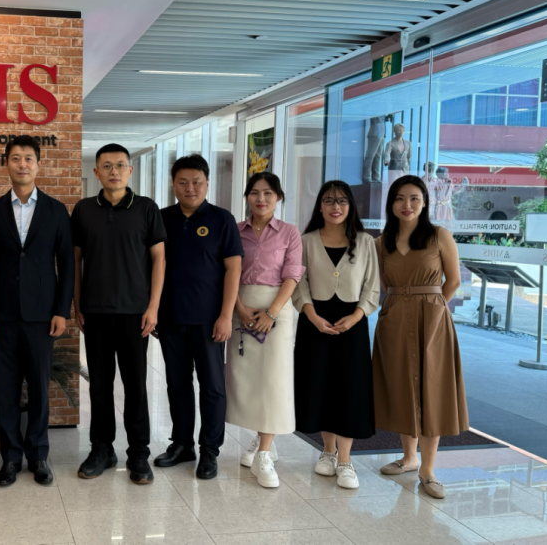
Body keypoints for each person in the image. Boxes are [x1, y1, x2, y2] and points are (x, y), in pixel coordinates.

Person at [0, 135, 74, 487]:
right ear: (7, 164)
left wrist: (62, 311)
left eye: (28, 158)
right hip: (2, 316)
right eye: (15, 158)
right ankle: (11, 457)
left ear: (38, 164)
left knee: (40, 389)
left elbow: (67, 264)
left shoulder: (56, 210)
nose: (22, 164)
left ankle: (38, 455)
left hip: (42, 316)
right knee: (7, 390)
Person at [72, 144, 166, 484]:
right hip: (95, 312)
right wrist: (77, 303)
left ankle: (139, 453)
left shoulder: (146, 208)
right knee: (99, 385)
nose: (114, 171)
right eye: (107, 166)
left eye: (121, 165)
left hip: (134, 313)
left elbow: (159, 259)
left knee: (135, 386)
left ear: (130, 171)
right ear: (96, 172)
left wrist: (153, 306)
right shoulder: (84, 210)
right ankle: (102, 449)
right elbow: (76, 260)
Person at [374, 175, 468, 499]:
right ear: (391, 204)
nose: (407, 204)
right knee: (402, 385)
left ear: (425, 202)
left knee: (432, 388)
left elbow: (453, 280)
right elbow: (384, 284)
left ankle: (428, 469)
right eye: (400, 198)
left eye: (414, 198)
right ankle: (409, 457)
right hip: (394, 319)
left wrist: (434, 307)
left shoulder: (439, 235)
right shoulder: (382, 242)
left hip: (433, 319)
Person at [154, 155, 242, 480]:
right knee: (177, 385)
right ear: (173, 184)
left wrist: (226, 315)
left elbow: (233, 269)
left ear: (207, 183)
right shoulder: (162, 218)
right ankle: (182, 444)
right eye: (183, 182)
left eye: (196, 182)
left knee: (212, 387)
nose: (190, 188)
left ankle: (209, 450)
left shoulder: (222, 219)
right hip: (171, 318)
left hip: (209, 321)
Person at [293, 180, 379, 490]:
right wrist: (311, 315)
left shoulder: (365, 242)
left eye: (342, 201)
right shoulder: (306, 241)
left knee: (349, 388)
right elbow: (298, 283)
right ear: (320, 206)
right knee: (319, 386)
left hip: (352, 324)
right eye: (329, 201)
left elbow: (372, 286)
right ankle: (327, 452)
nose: (335, 206)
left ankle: (345, 459)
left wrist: (356, 317)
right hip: (314, 322)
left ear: (350, 206)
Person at [225, 172, 304, 489]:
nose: (261, 199)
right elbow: (227, 272)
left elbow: (292, 275)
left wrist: (271, 313)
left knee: (273, 380)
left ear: (279, 197)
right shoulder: (235, 230)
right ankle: (260, 439)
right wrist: (239, 309)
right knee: (246, 381)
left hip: (277, 309)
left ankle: (265, 453)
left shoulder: (290, 232)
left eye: (268, 193)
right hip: (240, 308)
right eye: (255, 193)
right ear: (247, 196)